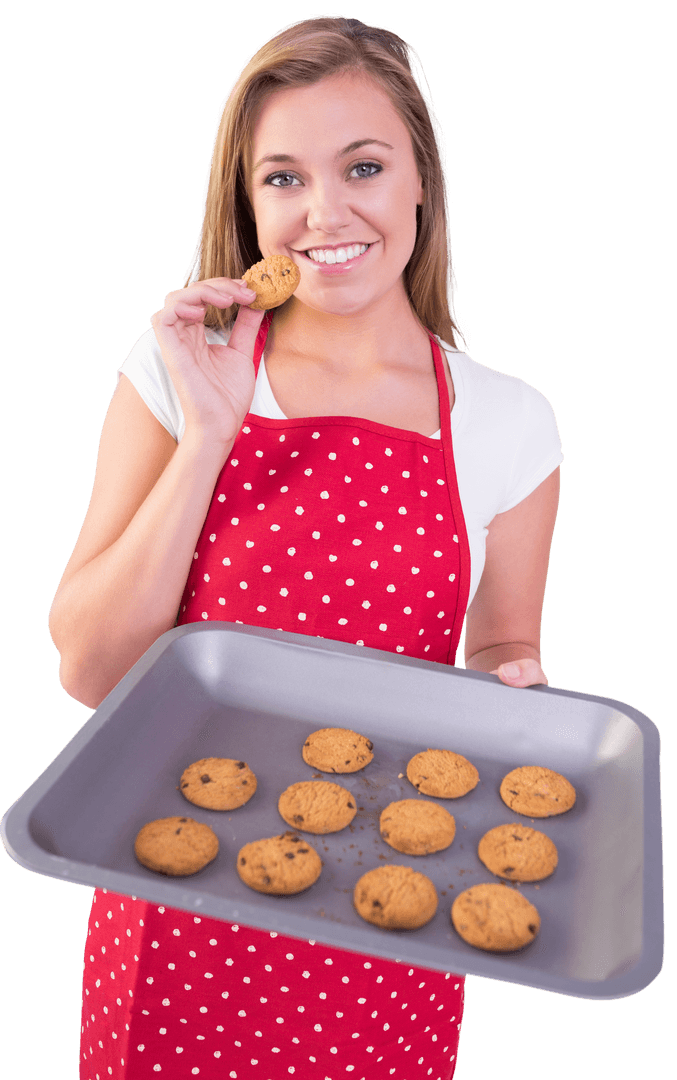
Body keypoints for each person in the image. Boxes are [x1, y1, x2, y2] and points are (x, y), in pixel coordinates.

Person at [49, 15, 562, 1080]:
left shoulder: (509, 422)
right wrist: (209, 430)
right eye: (282, 178)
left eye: (362, 166)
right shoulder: (168, 371)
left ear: (422, 181)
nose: (324, 213)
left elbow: (496, 650)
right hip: (174, 921)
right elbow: (92, 671)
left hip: (388, 922)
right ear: (247, 204)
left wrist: (516, 691)